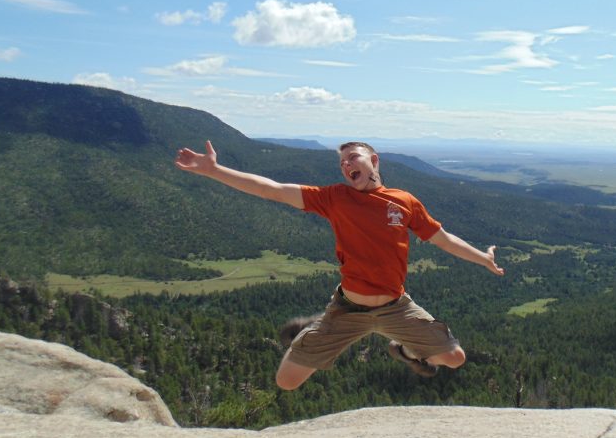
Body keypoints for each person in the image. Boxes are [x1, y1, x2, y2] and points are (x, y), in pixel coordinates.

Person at [174, 140, 504, 390]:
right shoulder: (334, 198)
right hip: (348, 309)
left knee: (454, 358)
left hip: (395, 308)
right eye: (343, 162)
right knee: (287, 381)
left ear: (374, 161)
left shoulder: (404, 202)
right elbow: (272, 190)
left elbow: (443, 239)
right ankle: (316, 326)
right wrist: (214, 171)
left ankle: (406, 350)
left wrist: (483, 258)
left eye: (353, 158)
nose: (347, 165)